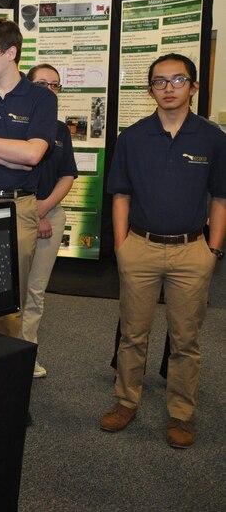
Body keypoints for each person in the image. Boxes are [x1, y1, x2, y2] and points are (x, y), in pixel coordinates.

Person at [100, 53, 225, 448]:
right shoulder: (133, 137)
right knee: (133, 334)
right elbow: (120, 194)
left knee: (186, 339)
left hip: (192, 252)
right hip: (140, 248)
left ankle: (182, 414)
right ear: (149, 88)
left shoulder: (213, 138)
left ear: (194, 87)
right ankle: (125, 402)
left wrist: (214, 250)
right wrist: (122, 247)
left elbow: (221, 198)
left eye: (177, 80)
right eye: (159, 81)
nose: (168, 88)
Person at [0, 19, 57, 339]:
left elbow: (33, 156)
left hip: (20, 209)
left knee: (10, 301)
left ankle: (5, 375)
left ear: (11, 53)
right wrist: (10, 155)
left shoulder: (41, 99)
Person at [23, 64, 77, 377]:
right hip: (18, 213)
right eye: (42, 83)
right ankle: (1, 354)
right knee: (8, 291)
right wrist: (33, 211)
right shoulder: (14, 124)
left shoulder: (59, 130)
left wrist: (43, 210)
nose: (49, 90)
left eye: (55, 85)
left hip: (50, 215)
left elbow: (67, 175)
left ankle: (27, 353)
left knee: (34, 291)